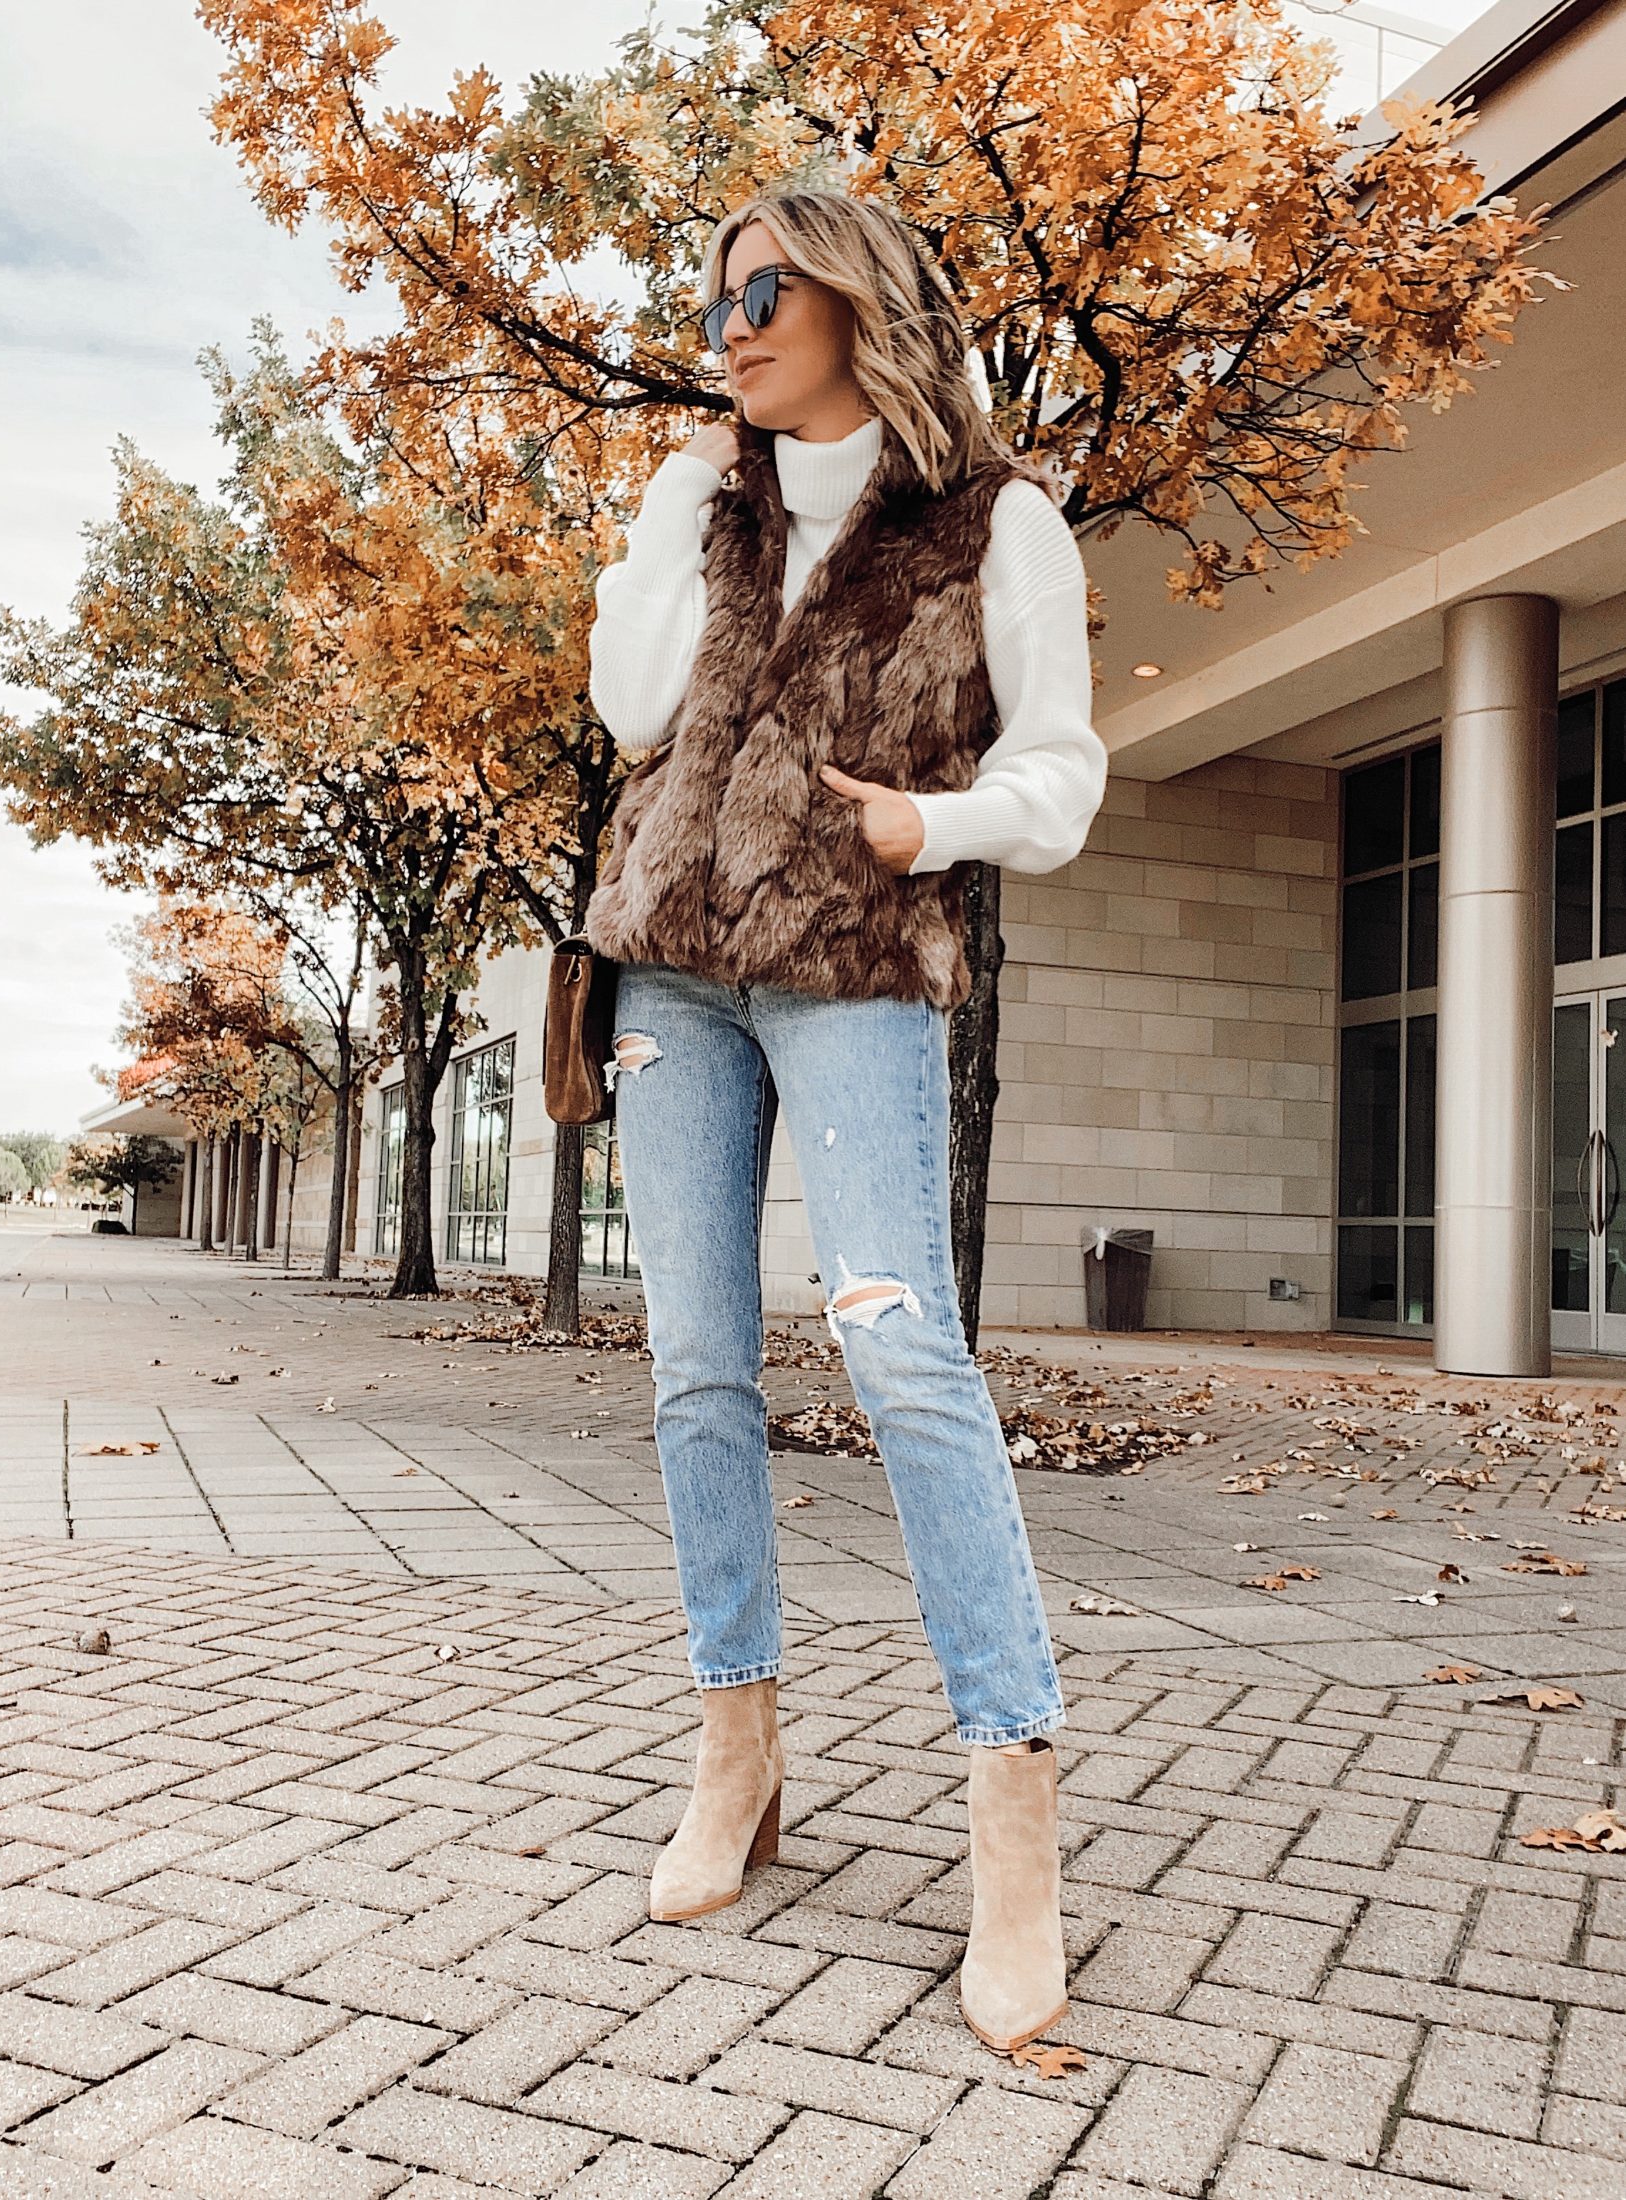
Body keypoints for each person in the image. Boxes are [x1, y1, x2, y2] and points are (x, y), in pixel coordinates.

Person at [583, 183, 1107, 2054]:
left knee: (904, 1364)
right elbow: (632, 703)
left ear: (859, 298)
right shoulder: (702, 501)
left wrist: (930, 827)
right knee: (698, 1372)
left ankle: (1011, 1810)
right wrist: (665, 520)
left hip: (857, 968)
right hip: (669, 973)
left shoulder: (995, 520)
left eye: (762, 290)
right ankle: (737, 1750)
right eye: (712, 295)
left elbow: (1062, 768)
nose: (726, 323)